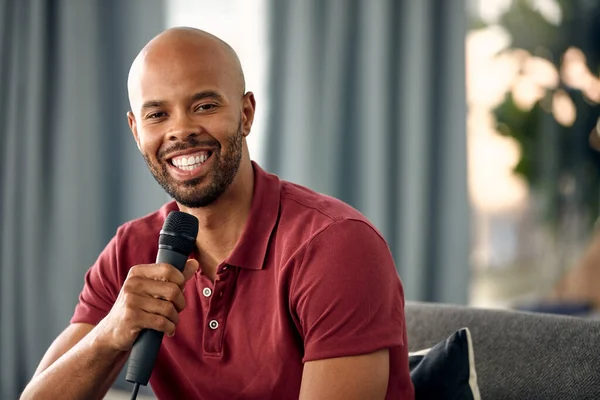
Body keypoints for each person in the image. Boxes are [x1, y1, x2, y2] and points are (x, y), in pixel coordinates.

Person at [21, 27, 414, 399]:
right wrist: (111, 331)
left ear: (245, 114)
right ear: (136, 130)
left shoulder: (336, 245)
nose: (181, 131)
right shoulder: (131, 249)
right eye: (157, 114)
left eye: (204, 105)